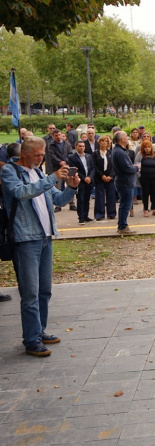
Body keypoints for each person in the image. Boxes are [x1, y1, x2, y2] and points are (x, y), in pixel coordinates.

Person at [2, 136, 79, 356]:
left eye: (42, 153)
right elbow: (21, 192)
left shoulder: (38, 172)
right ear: (24, 153)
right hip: (25, 238)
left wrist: (71, 188)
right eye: (37, 154)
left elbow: (58, 200)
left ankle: (40, 330)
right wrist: (51, 179)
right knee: (30, 293)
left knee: (44, 290)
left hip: (46, 237)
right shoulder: (10, 172)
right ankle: (31, 339)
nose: (41, 157)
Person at [111, 131, 138, 235]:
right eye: (126, 137)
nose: (127, 138)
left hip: (123, 181)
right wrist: (136, 167)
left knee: (124, 204)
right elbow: (127, 168)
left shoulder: (118, 151)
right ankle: (123, 226)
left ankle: (122, 225)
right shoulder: (120, 152)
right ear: (122, 139)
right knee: (125, 205)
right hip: (125, 182)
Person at [44, 129, 74, 212]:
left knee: (70, 184)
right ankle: (58, 205)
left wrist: (66, 161)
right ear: (53, 136)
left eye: (59, 134)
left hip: (67, 167)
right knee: (57, 186)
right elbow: (51, 156)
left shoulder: (67, 144)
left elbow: (70, 154)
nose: (58, 136)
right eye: (56, 135)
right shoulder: (50, 145)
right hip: (56, 168)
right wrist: (60, 162)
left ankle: (71, 203)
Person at [67, 141, 95, 225]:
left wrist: (90, 177)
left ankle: (86, 215)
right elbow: (75, 170)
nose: (82, 148)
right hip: (80, 181)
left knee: (87, 199)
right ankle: (81, 217)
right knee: (81, 199)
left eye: (83, 146)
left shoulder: (89, 156)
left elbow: (92, 168)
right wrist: (84, 178)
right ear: (76, 147)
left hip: (89, 180)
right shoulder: (72, 157)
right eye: (80, 146)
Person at [135, 140, 155, 217]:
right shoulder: (140, 155)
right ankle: (145, 209)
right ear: (142, 148)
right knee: (145, 194)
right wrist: (139, 176)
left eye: (148, 147)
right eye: (145, 147)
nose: (147, 149)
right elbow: (136, 167)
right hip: (144, 179)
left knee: (154, 194)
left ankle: (154, 209)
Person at [93, 135, 116, 221]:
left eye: (106, 141)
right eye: (102, 141)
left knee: (111, 195)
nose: (104, 142)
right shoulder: (95, 153)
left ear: (108, 143)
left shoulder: (111, 153)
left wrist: (110, 176)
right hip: (100, 177)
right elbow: (94, 166)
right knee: (99, 196)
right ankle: (99, 214)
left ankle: (111, 213)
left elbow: (114, 166)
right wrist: (101, 175)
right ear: (99, 142)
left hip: (110, 177)